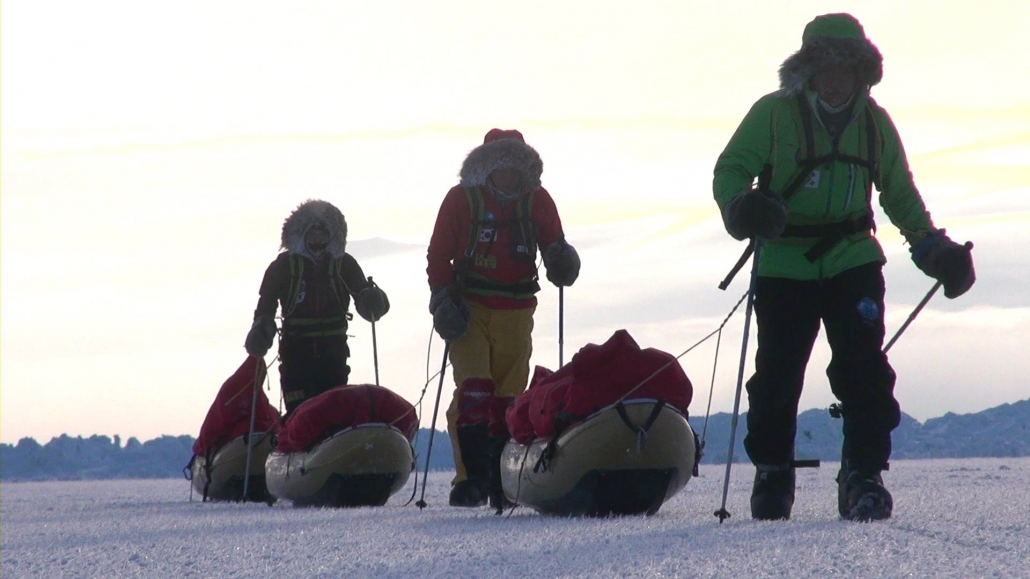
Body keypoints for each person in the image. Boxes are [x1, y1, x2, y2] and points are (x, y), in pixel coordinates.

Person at [713, 13, 975, 521]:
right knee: (777, 376)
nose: (835, 77)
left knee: (864, 371)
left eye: (846, 67)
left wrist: (932, 248)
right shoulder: (771, 115)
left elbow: (899, 193)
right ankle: (772, 471)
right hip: (783, 263)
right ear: (807, 70)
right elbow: (730, 170)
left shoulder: (876, 125)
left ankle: (863, 475)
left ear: (862, 72)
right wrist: (741, 208)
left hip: (853, 258)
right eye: (824, 66)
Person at [427, 129, 581, 509]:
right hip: (470, 309)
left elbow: (554, 247)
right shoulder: (461, 200)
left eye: (516, 170)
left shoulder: (538, 202)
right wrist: (443, 300)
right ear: (486, 168)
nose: (509, 177)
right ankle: (472, 479)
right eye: (502, 168)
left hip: (517, 308)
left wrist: (563, 262)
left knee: (508, 398)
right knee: (475, 389)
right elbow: (438, 256)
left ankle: (499, 479)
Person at [245, 199, 390, 416]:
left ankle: (328, 441)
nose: (318, 238)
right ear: (301, 234)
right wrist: (261, 330)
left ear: (332, 236)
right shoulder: (283, 267)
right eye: (313, 233)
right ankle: (299, 438)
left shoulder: (344, 264)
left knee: (332, 409)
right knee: (300, 408)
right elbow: (265, 306)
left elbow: (363, 298)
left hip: (333, 353)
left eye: (323, 233)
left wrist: (373, 301)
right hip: (296, 353)